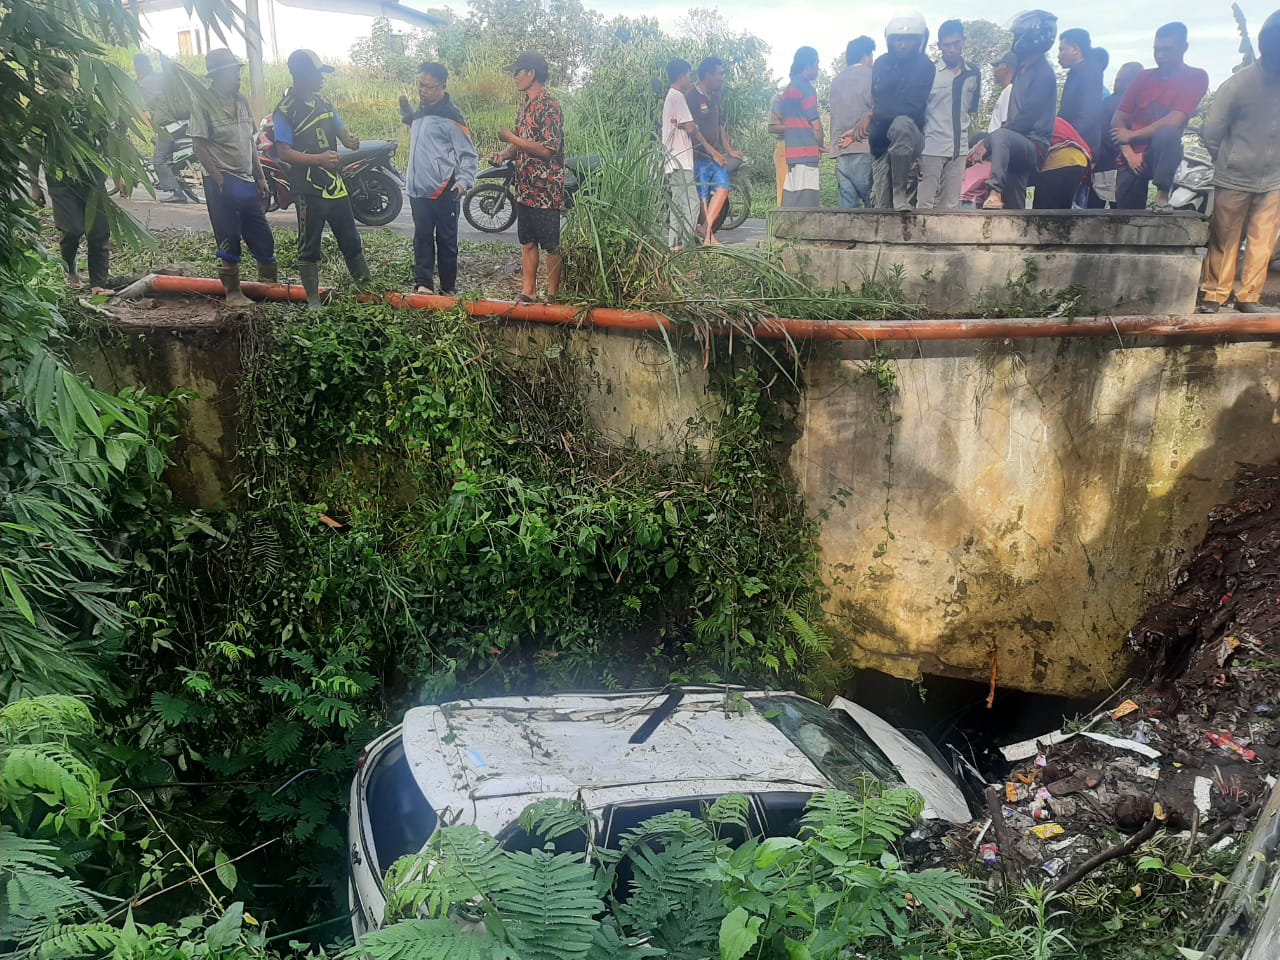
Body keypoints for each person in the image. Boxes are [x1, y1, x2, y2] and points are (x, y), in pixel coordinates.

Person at [273, 49, 370, 309]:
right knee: (309, 246)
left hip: (335, 186)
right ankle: (313, 302)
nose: (322, 79)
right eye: (319, 74)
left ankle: (367, 290)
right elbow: (283, 151)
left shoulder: (325, 104)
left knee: (350, 239)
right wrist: (316, 160)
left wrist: (349, 140)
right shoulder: (285, 111)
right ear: (302, 75)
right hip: (308, 189)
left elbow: (342, 133)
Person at [1197, 11, 1280, 314]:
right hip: (1234, 176)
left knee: (1263, 241)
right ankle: (1214, 294)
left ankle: (1248, 297)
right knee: (1225, 237)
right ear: (1266, 48)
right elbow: (1212, 132)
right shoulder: (1238, 85)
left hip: (1274, 179)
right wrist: (1228, 161)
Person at [190, 48, 276, 306]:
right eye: (232, 73)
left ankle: (268, 287)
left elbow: (250, 142)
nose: (238, 78)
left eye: (238, 72)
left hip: (246, 178)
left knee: (261, 234)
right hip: (222, 180)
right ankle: (233, 293)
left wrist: (260, 176)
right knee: (228, 235)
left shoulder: (241, 101)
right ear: (217, 76)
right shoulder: (203, 103)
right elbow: (199, 146)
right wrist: (219, 179)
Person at [1112, 22, 1209, 211]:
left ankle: (1162, 196)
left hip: (1163, 153)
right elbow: (1118, 120)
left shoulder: (1195, 77)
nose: (1160, 56)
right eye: (1157, 50)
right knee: (1125, 217)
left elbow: (1176, 120)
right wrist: (1129, 153)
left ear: (1184, 48)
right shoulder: (1143, 77)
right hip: (1132, 156)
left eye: (1167, 50)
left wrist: (1131, 135)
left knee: (1169, 134)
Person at [399, 62, 478, 295]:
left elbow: (468, 154)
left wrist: (463, 182)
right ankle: (423, 284)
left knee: (446, 241)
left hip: (444, 189)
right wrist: (405, 109)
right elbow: (411, 120)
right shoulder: (421, 112)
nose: (422, 90)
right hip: (417, 190)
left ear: (442, 87)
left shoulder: (451, 117)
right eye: (420, 85)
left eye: (428, 86)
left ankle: (447, 288)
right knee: (422, 237)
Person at [493, 51, 565, 301]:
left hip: (545, 189)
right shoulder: (526, 106)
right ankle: (529, 292)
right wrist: (504, 154)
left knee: (551, 245)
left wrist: (511, 139)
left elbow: (547, 149)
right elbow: (520, 143)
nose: (514, 78)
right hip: (525, 187)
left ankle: (554, 295)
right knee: (527, 242)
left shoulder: (550, 106)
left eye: (517, 73)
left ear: (531, 74)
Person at [969, 9, 1057, 210]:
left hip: (1034, 145)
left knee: (999, 136)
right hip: (1016, 142)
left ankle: (995, 191)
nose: (1015, 40)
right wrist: (984, 141)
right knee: (979, 137)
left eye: (1018, 35)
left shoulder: (1044, 74)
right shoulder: (1024, 70)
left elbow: (1027, 118)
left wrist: (990, 141)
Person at [868, 10, 936, 210]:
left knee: (902, 123)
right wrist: (882, 112)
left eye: (909, 39)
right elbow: (879, 100)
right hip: (881, 142)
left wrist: (883, 112)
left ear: (919, 40)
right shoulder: (881, 64)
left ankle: (900, 192)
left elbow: (912, 107)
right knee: (882, 207)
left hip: (909, 135)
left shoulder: (925, 66)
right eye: (899, 39)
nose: (904, 45)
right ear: (890, 40)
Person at [919, 20, 981, 209]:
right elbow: (919, 112)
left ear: (964, 41)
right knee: (924, 204)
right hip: (931, 146)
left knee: (951, 206)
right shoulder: (929, 72)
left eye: (956, 43)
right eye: (947, 45)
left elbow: (970, 112)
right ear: (940, 46)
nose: (952, 49)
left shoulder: (974, 73)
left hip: (959, 149)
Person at [686, 57, 743, 244]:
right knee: (703, 195)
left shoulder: (716, 97)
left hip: (715, 154)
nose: (722, 78)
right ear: (708, 75)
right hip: (698, 155)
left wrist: (729, 149)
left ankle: (705, 229)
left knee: (723, 187)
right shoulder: (691, 97)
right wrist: (712, 152)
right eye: (720, 73)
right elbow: (694, 130)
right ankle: (709, 235)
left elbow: (720, 125)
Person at [960, 51, 1016, 207]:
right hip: (994, 152)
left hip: (995, 154)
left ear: (1007, 67)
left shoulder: (1010, 91)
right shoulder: (1006, 92)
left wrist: (985, 145)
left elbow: (1005, 127)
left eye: (998, 66)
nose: (995, 70)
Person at [1087, 61, 1144, 207]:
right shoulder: (1131, 106)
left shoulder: (1107, 103)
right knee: (1124, 211)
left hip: (1102, 163)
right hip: (1123, 164)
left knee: (1093, 210)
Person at [829, 36, 876, 209]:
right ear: (866, 55)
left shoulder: (836, 81)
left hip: (841, 151)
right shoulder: (872, 76)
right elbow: (879, 111)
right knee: (875, 205)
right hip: (866, 148)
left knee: (847, 208)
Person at [135, 53, 185, 203]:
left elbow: (141, 106)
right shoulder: (160, 77)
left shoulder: (144, 83)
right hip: (182, 122)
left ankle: (178, 193)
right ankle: (177, 180)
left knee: (158, 160)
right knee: (166, 155)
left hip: (169, 127)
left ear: (138, 67)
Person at [661, 59, 701, 249]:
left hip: (671, 161)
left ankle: (673, 245)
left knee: (677, 204)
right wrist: (694, 126)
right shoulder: (678, 96)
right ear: (682, 75)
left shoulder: (670, 96)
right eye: (689, 74)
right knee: (692, 204)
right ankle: (686, 245)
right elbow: (691, 128)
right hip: (681, 160)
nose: (691, 78)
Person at [779, 46, 824, 208]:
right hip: (807, 150)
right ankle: (806, 231)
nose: (818, 68)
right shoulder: (807, 89)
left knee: (792, 195)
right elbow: (816, 125)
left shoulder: (789, 89)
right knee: (808, 197)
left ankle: (784, 229)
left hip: (792, 151)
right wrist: (820, 143)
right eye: (817, 64)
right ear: (808, 65)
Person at [1057, 29, 1108, 158]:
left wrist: (1063, 137)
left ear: (1075, 49)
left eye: (1061, 49)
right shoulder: (1075, 73)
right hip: (1070, 143)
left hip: (1080, 146)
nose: (1058, 55)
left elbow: (1088, 116)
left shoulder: (1090, 71)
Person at [1030, 117, 1091, 208]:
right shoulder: (1054, 119)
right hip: (1081, 160)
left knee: (1043, 213)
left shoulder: (1030, 123)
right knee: (1062, 211)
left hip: (1058, 160)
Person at [768, 92, 787, 207]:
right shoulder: (780, 99)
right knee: (785, 192)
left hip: (805, 149)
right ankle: (783, 222)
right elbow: (772, 127)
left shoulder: (808, 97)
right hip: (785, 147)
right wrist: (798, 127)